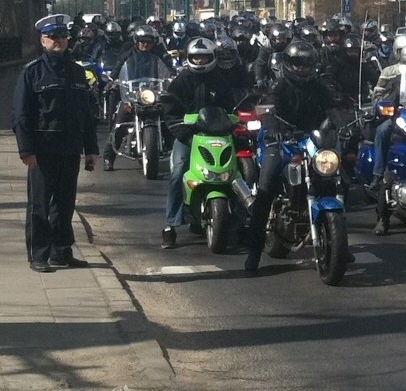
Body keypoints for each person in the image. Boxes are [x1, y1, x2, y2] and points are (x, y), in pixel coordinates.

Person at [11, 14, 99, 272]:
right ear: (43, 41)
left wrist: (90, 149)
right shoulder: (32, 73)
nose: (59, 41)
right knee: (39, 206)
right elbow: (20, 114)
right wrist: (26, 149)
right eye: (53, 37)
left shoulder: (77, 72)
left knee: (64, 203)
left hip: (70, 148)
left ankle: (61, 252)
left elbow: (86, 113)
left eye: (63, 37)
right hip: (42, 150)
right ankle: (38, 254)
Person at [245, 40, 335, 272]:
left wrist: (345, 124)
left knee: (333, 176)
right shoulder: (280, 87)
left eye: (306, 63)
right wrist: (273, 125)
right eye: (297, 62)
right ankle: (254, 250)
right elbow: (270, 109)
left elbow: (332, 108)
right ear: (288, 63)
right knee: (266, 188)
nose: (302, 67)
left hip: (310, 140)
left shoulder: (318, 87)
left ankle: (337, 242)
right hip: (280, 140)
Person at [161, 37, 236, 249]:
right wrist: (183, 132)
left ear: (212, 58)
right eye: (196, 58)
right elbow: (170, 114)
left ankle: (242, 218)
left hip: (218, 137)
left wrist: (233, 122)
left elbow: (231, 109)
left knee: (238, 170)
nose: (200, 61)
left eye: (204, 57)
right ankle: (170, 225)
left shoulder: (221, 81)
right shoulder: (181, 81)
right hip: (189, 137)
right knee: (178, 171)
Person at [370, 35, 406, 235]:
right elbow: (377, 97)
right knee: (385, 131)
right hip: (400, 118)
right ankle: (382, 215)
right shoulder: (393, 76)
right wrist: (386, 105)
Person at [102, 25, 174, 171]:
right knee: (120, 123)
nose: (145, 44)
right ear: (136, 41)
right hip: (132, 95)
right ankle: (108, 157)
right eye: (142, 41)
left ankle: (177, 155)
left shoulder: (159, 55)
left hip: (154, 94)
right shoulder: (127, 55)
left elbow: (169, 70)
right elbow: (117, 70)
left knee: (169, 120)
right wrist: (112, 81)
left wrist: (173, 78)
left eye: (148, 41)